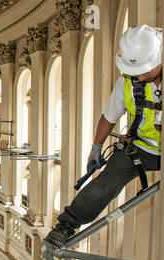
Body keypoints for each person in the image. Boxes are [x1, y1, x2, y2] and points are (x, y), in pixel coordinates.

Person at [44, 24, 163, 248]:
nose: (140, 76)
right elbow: (109, 117)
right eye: (136, 72)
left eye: (146, 72)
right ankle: (66, 226)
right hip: (142, 148)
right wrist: (96, 147)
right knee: (105, 184)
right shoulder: (126, 83)